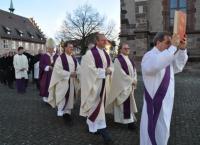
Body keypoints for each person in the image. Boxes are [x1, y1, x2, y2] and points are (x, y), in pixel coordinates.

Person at [140, 32, 188, 145]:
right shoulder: (149, 55)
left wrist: (181, 49)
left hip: (167, 103)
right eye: (167, 43)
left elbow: (178, 66)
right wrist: (172, 48)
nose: (169, 45)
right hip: (154, 103)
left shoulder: (166, 56)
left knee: (163, 130)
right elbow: (154, 66)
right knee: (152, 132)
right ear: (158, 42)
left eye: (170, 43)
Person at [80, 33, 114, 144]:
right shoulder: (90, 54)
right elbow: (89, 70)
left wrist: (110, 70)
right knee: (96, 107)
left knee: (98, 107)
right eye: (103, 40)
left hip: (104, 85)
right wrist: (104, 71)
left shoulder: (105, 53)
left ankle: (92, 126)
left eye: (106, 40)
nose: (105, 42)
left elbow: (111, 66)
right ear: (97, 41)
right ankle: (105, 134)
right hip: (94, 86)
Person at [106, 43, 138, 130]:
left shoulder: (130, 60)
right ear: (120, 50)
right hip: (122, 86)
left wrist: (134, 79)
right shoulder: (118, 60)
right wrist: (131, 81)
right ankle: (129, 123)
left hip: (129, 85)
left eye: (128, 48)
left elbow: (134, 71)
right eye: (125, 48)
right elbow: (120, 74)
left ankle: (128, 120)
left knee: (128, 103)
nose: (127, 49)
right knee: (123, 103)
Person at [48, 42, 79, 124]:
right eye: (70, 47)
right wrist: (69, 74)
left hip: (72, 82)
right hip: (63, 82)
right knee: (63, 97)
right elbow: (57, 70)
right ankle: (61, 111)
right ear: (65, 48)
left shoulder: (73, 58)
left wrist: (77, 73)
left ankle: (67, 112)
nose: (71, 48)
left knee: (70, 97)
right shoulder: (60, 58)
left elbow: (78, 68)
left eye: (72, 47)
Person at [39, 38, 58, 103]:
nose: (51, 50)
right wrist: (47, 67)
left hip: (55, 74)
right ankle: (46, 97)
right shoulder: (44, 56)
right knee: (46, 85)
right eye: (50, 48)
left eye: (52, 48)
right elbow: (41, 65)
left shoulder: (56, 56)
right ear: (47, 48)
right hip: (46, 74)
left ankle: (53, 97)